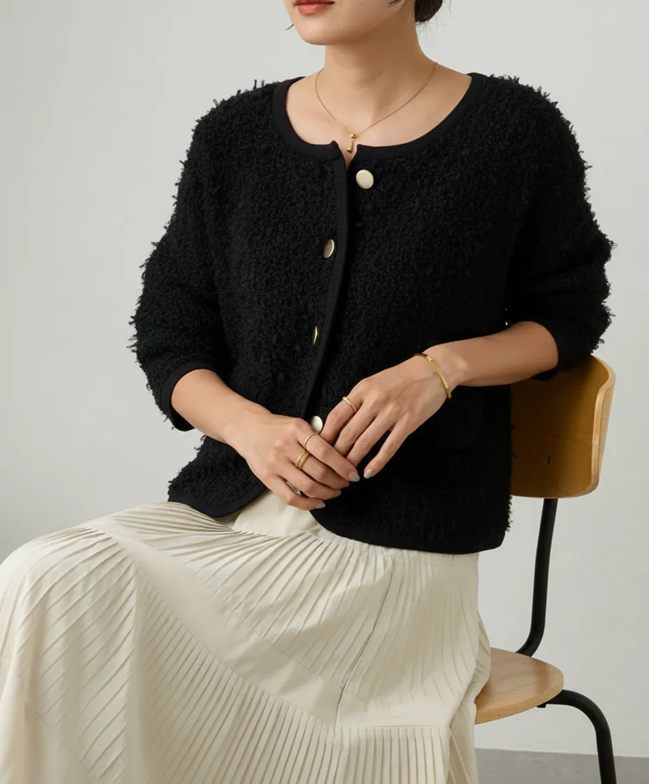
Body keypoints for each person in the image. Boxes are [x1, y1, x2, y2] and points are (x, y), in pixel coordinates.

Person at [0, 0, 616, 782]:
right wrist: (248, 430)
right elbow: (170, 333)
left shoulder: (511, 131)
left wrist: (441, 369)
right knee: (46, 577)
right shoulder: (233, 137)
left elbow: (568, 316)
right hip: (228, 524)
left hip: (397, 552)